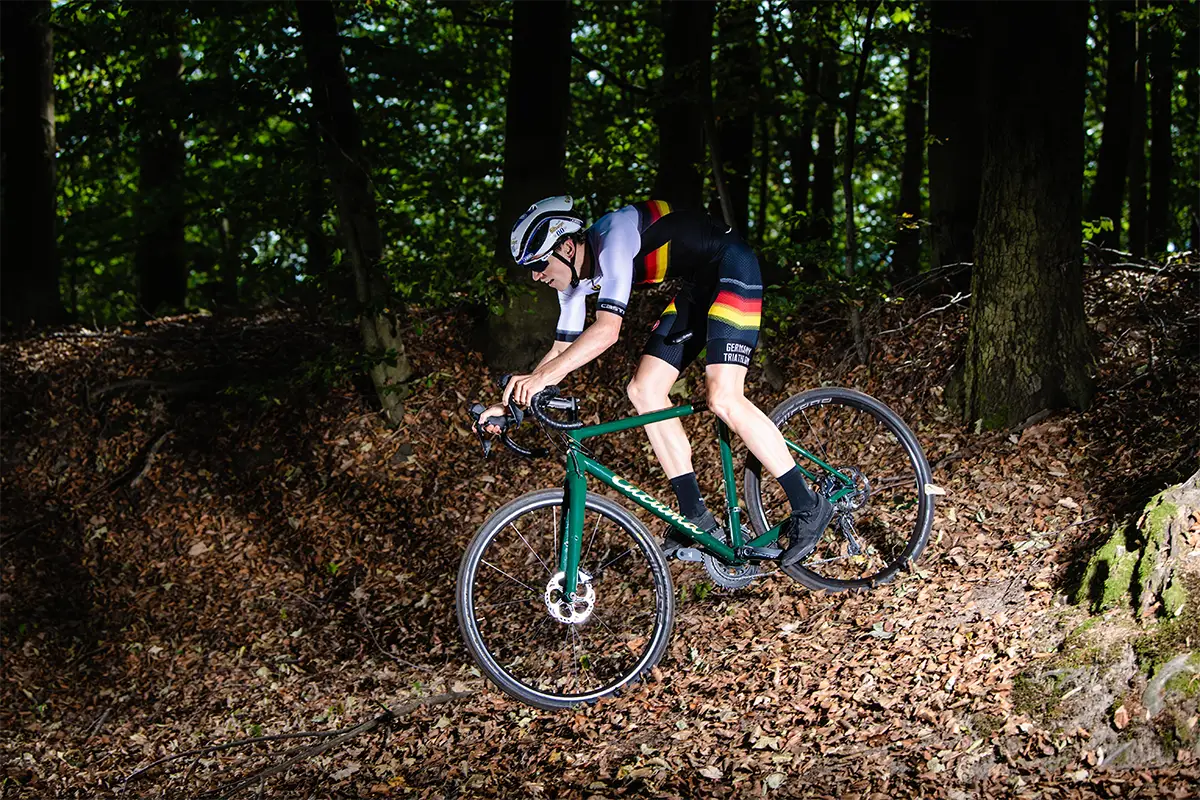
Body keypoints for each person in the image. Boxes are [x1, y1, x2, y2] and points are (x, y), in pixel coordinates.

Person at [476, 195, 833, 567]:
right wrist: (511, 402)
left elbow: (607, 331)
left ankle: (808, 505)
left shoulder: (612, 238)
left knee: (723, 396)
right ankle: (695, 516)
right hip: (699, 285)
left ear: (567, 246)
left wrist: (540, 379)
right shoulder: (574, 282)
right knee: (644, 390)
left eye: (538, 264)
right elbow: (561, 351)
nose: (536, 275)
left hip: (732, 267)